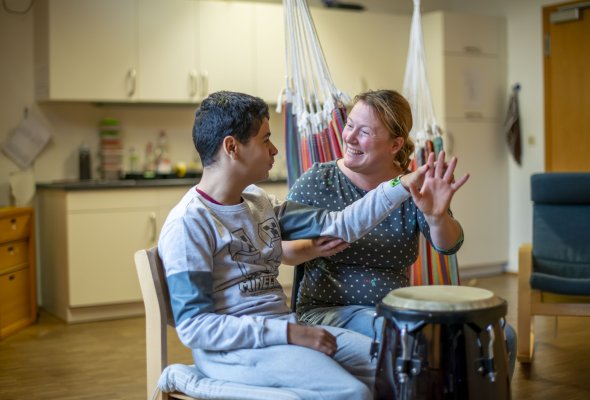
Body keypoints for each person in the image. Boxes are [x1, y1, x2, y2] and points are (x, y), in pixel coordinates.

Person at [157, 91, 460, 400]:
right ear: (232, 147)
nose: (275, 150)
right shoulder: (188, 223)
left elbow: (340, 224)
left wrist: (403, 184)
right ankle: (194, 381)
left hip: (281, 335)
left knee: (407, 367)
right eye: (265, 140)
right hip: (234, 351)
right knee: (353, 394)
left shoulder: (260, 204)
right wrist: (290, 332)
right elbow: (194, 327)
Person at [283, 89, 517, 377]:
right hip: (330, 310)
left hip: (398, 310)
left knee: (501, 335)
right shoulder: (319, 181)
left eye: (364, 131)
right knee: (409, 338)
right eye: (349, 125)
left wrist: (437, 216)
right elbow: (280, 250)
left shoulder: (410, 185)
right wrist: (314, 248)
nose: (350, 137)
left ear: (395, 145)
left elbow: (449, 246)